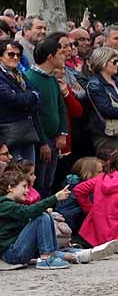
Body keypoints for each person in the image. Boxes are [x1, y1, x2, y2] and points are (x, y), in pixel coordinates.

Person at [1, 171, 118, 268]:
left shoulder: (11, 205)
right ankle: (47, 259)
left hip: (18, 251)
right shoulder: (4, 205)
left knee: (44, 215)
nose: (27, 191)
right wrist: (55, 198)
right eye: (24, 187)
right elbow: (27, 212)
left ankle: (79, 254)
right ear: (10, 188)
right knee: (41, 217)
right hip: (12, 254)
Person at [25, 34, 69, 198]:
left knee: (49, 181)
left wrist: (62, 132)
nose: (64, 57)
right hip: (41, 141)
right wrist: (43, 142)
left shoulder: (51, 79)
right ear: (50, 57)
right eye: (60, 54)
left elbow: (61, 107)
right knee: (39, 182)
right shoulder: (30, 78)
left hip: (54, 139)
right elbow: (34, 114)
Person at [0, 39, 41, 162]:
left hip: (28, 130)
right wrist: (31, 96)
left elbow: (38, 93)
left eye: (18, 55)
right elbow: (12, 99)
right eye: (11, 54)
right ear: (1, 56)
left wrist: (29, 97)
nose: (15, 57)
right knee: (15, 172)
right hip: (9, 133)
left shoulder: (20, 74)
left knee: (30, 170)